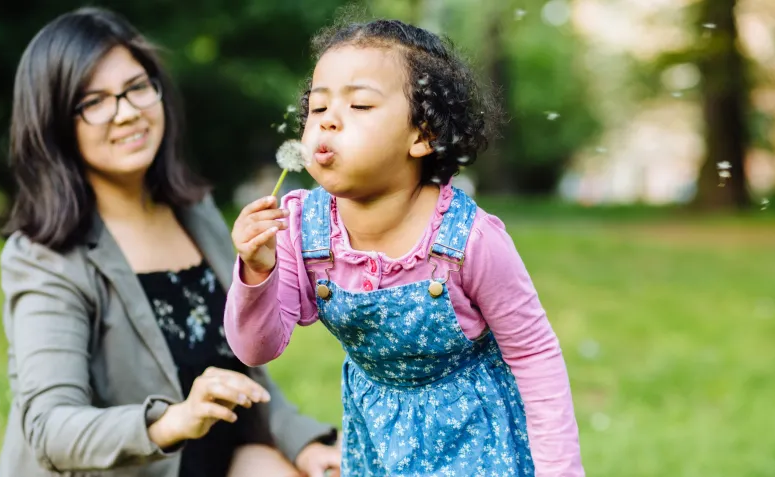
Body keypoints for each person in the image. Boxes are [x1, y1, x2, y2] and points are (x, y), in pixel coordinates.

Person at [224, 16, 585, 477]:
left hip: (477, 440)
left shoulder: (468, 239)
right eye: (317, 109)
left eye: (359, 105)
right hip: (377, 439)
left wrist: (559, 471)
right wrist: (257, 270)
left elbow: (534, 354)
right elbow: (256, 349)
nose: (329, 121)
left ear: (423, 135)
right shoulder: (300, 228)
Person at [0, 7, 340, 477]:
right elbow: (50, 428)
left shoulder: (195, 213)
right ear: (56, 122)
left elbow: (242, 368)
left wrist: (304, 444)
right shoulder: (45, 256)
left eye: (137, 87)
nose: (127, 112)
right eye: (93, 101)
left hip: (221, 456)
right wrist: (173, 419)